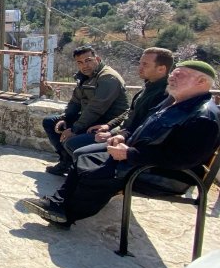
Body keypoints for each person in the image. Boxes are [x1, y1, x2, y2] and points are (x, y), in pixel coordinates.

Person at [21, 60, 220, 228]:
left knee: (93, 170)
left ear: (202, 82)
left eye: (181, 75)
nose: (172, 77)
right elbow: (144, 126)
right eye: (174, 73)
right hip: (140, 156)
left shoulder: (204, 117)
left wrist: (130, 154)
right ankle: (58, 203)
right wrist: (123, 136)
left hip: (162, 174)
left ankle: (67, 214)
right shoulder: (174, 101)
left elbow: (182, 159)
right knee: (82, 154)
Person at [64, 47, 173, 163]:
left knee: (76, 147)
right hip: (117, 130)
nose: (139, 68)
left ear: (161, 69)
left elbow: (144, 126)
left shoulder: (164, 94)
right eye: (140, 63)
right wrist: (108, 126)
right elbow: (130, 113)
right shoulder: (148, 87)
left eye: (145, 64)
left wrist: (113, 133)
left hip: (130, 142)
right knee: (60, 129)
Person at [41, 45, 129, 176]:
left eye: (88, 60)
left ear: (97, 59)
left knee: (71, 139)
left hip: (106, 123)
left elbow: (96, 108)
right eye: (80, 62)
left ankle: (79, 169)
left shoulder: (108, 78)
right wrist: (65, 118)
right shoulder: (84, 77)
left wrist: (74, 129)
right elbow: (75, 101)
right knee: (50, 122)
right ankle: (66, 161)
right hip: (90, 118)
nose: (84, 66)